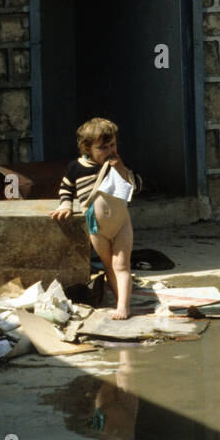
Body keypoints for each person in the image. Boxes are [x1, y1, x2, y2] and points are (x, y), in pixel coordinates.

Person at [50, 118, 141, 319]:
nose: (110, 151)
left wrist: (121, 169)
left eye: (113, 145)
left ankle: (124, 306)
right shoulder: (77, 167)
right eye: (103, 148)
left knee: (122, 265)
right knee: (109, 265)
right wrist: (66, 204)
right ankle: (118, 298)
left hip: (121, 224)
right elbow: (66, 188)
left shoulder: (118, 165)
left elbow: (136, 187)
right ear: (87, 148)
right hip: (96, 226)